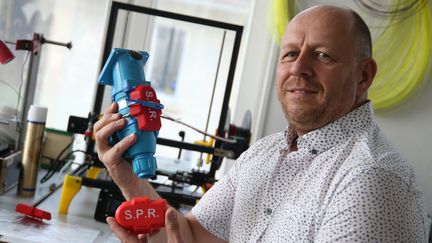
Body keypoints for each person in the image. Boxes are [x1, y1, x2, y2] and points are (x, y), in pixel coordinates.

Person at [94, 5, 428, 243]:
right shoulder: (266, 152)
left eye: (323, 55)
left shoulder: (372, 178)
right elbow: (189, 234)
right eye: (290, 54)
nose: (299, 69)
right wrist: (124, 172)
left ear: (363, 75)